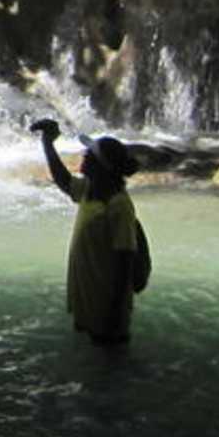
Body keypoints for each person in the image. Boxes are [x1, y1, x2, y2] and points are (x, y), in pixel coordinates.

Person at [33, 119, 142, 346]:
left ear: (101, 166)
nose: (84, 156)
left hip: (107, 305)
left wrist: (114, 312)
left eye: (89, 155)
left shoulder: (119, 204)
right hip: (88, 297)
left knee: (109, 356)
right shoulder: (90, 189)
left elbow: (125, 258)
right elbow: (64, 181)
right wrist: (48, 143)